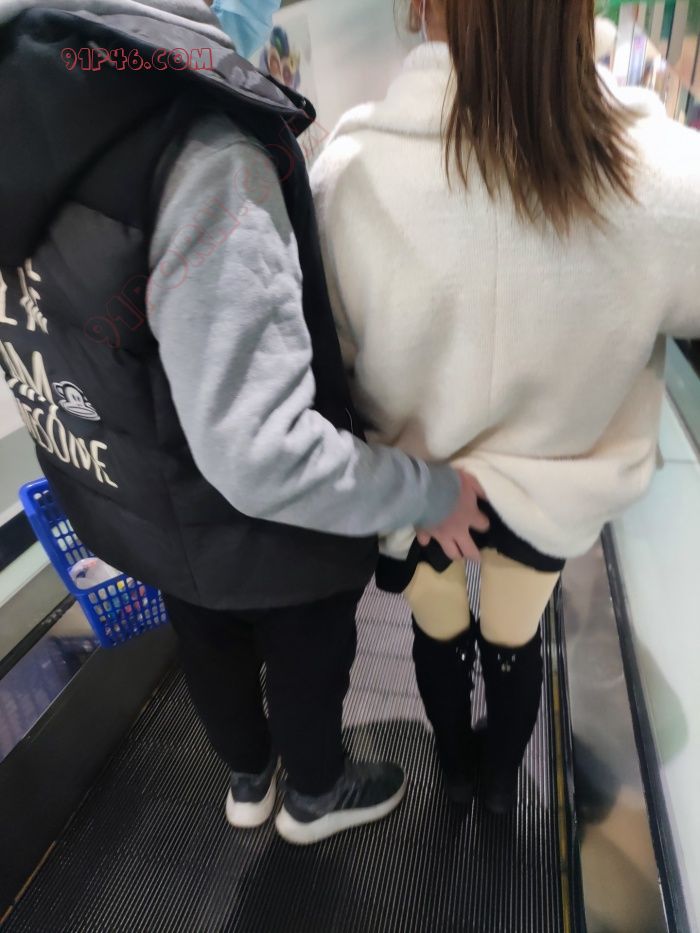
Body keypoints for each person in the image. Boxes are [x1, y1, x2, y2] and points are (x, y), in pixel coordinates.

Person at [0, 0, 489, 845]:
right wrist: (427, 491)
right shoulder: (201, 152)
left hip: (153, 509)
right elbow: (262, 455)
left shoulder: (31, 126)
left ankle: (248, 777)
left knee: (208, 642)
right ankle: (315, 794)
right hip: (270, 530)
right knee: (307, 652)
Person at [311, 0, 700, 813]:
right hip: (554, 493)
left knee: (437, 631)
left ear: (421, 6)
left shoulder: (347, 173)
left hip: (418, 490)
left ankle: (454, 772)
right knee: (515, 639)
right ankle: (497, 790)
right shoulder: (663, 173)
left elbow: (330, 362)